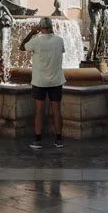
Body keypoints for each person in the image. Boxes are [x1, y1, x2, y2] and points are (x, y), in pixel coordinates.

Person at [21, 17, 65, 149]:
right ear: (51, 27)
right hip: (56, 80)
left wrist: (31, 33)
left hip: (40, 81)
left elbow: (22, 47)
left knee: (39, 110)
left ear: (40, 28)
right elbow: (61, 51)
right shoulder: (59, 40)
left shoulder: (36, 41)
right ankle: (58, 139)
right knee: (57, 110)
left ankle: (38, 140)